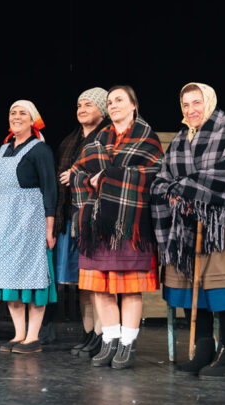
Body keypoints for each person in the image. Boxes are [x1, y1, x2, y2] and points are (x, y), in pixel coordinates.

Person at [151, 83, 225, 379]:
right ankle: (204, 350)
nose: (191, 110)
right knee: (193, 285)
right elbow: (162, 178)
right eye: (185, 105)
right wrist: (175, 193)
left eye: (197, 102)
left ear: (210, 102)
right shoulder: (180, 139)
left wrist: (186, 188)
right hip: (189, 223)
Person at [69, 86, 163, 369]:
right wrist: (92, 181)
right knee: (100, 287)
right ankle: (110, 340)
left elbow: (154, 174)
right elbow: (77, 174)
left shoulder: (147, 138)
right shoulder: (99, 139)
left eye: (119, 100)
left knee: (129, 287)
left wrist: (109, 175)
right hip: (98, 221)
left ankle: (127, 344)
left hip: (130, 223)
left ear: (134, 105)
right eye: (110, 101)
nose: (113, 105)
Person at [0, 100, 57, 354]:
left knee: (32, 277)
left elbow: (50, 190)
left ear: (32, 119)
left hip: (30, 220)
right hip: (2, 221)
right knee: (8, 277)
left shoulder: (40, 150)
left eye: (22, 113)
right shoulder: (2, 149)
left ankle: (33, 337)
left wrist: (49, 228)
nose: (16, 117)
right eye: (12, 113)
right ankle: (18, 334)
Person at [54, 88, 110, 355]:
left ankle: (102, 334)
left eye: (88, 104)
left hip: (96, 217)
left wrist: (77, 176)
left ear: (102, 109)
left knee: (97, 282)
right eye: (79, 105)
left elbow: (109, 173)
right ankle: (88, 333)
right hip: (72, 216)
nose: (82, 109)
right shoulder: (69, 141)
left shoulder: (108, 137)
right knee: (83, 283)